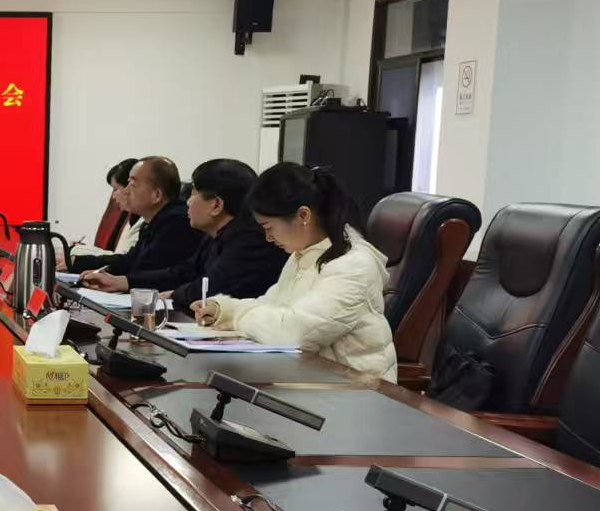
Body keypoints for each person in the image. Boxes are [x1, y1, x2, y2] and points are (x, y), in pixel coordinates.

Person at [194, 162, 397, 380]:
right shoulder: (303, 254)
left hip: (354, 388)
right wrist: (224, 309)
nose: (268, 238)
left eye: (269, 228)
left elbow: (293, 335)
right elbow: (271, 304)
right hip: (312, 379)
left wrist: (237, 318)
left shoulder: (353, 265)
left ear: (303, 215)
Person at [127, 159, 285, 312]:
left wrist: (175, 295)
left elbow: (211, 288)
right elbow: (187, 272)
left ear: (216, 205)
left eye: (193, 193)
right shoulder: (215, 234)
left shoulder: (251, 240)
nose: (188, 202)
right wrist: (128, 281)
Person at [77, 156, 202, 290]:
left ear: (157, 195)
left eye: (133, 184)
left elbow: (147, 269)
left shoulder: (177, 222)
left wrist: (122, 281)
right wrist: (78, 263)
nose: (125, 191)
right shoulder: (154, 220)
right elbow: (130, 260)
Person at [72, 158, 141, 264]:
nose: (113, 196)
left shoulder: (144, 223)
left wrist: (78, 253)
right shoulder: (131, 218)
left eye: (116, 189)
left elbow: (123, 260)